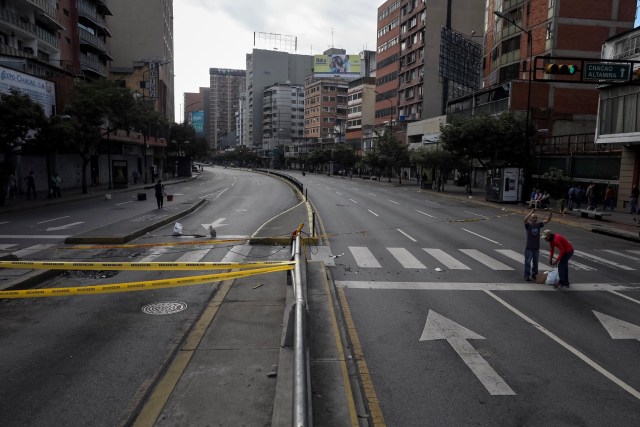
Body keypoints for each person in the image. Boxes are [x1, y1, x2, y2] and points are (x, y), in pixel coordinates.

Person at [523, 208, 552, 282]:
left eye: (536, 218)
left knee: (535, 262)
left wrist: (550, 212)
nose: (535, 219)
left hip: (536, 247)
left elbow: (548, 220)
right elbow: (524, 220)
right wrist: (531, 212)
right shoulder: (528, 225)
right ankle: (527, 275)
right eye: (533, 218)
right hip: (529, 247)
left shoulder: (538, 225)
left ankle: (534, 274)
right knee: (528, 262)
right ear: (530, 218)